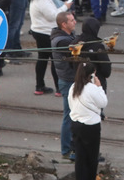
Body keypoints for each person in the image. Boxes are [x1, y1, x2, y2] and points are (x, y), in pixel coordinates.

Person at [30, 0, 72, 96]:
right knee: (55, 60)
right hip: (47, 33)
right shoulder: (43, 0)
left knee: (42, 59)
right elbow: (53, 16)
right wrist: (65, 7)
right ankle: (59, 88)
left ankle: (39, 85)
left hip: (38, 31)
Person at [69, 61, 107, 180]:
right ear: (92, 75)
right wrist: (99, 87)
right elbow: (103, 102)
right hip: (91, 126)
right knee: (91, 157)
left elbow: (71, 104)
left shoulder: (73, 87)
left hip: (76, 124)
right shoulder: (92, 88)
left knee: (80, 157)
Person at [52, 11, 80, 160]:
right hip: (68, 81)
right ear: (64, 24)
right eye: (72, 20)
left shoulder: (68, 36)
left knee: (72, 115)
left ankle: (71, 147)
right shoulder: (61, 41)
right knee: (69, 116)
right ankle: (66, 150)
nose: (75, 22)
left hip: (69, 80)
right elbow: (74, 48)